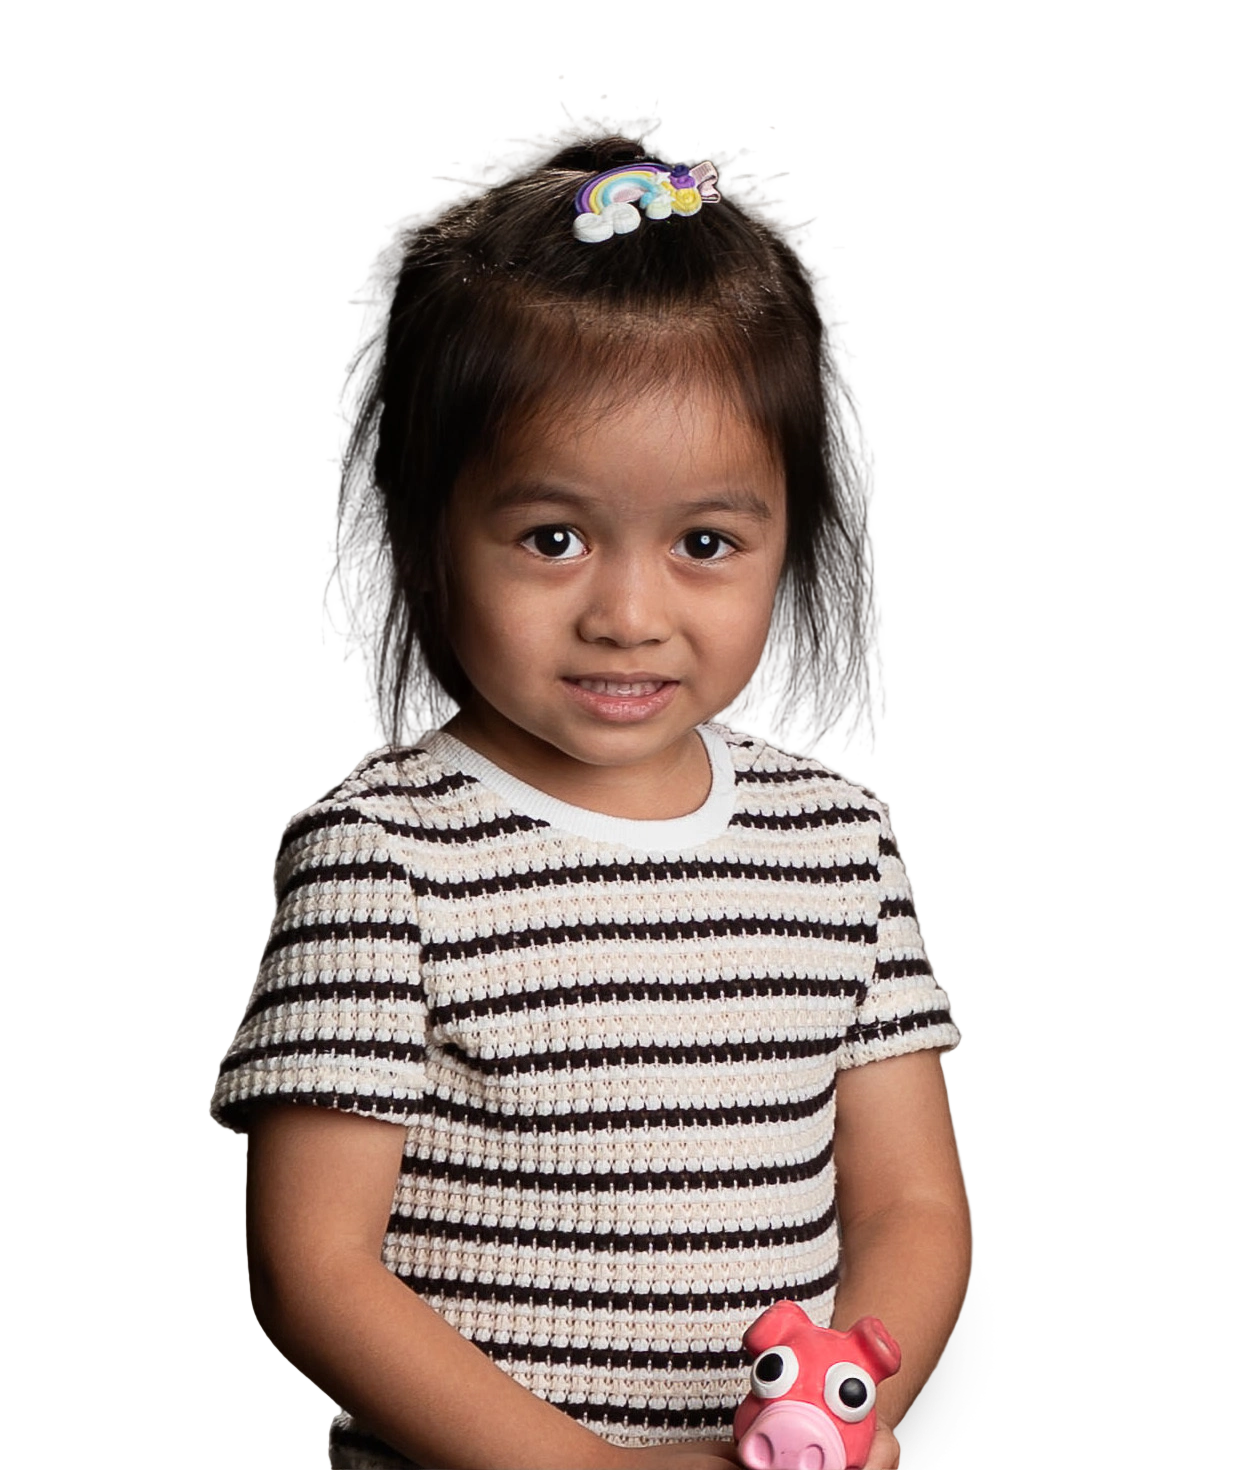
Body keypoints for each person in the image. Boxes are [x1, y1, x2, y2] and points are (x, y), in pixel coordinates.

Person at [209, 103, 973, 1470]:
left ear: (790, 542)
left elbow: (909, 1207)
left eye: (703, 542)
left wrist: (843, 1414)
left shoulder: (837, 845)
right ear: (432, 534)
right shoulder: (383, 854)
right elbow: (313, 1268)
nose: (628, 615)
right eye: (552, 537)